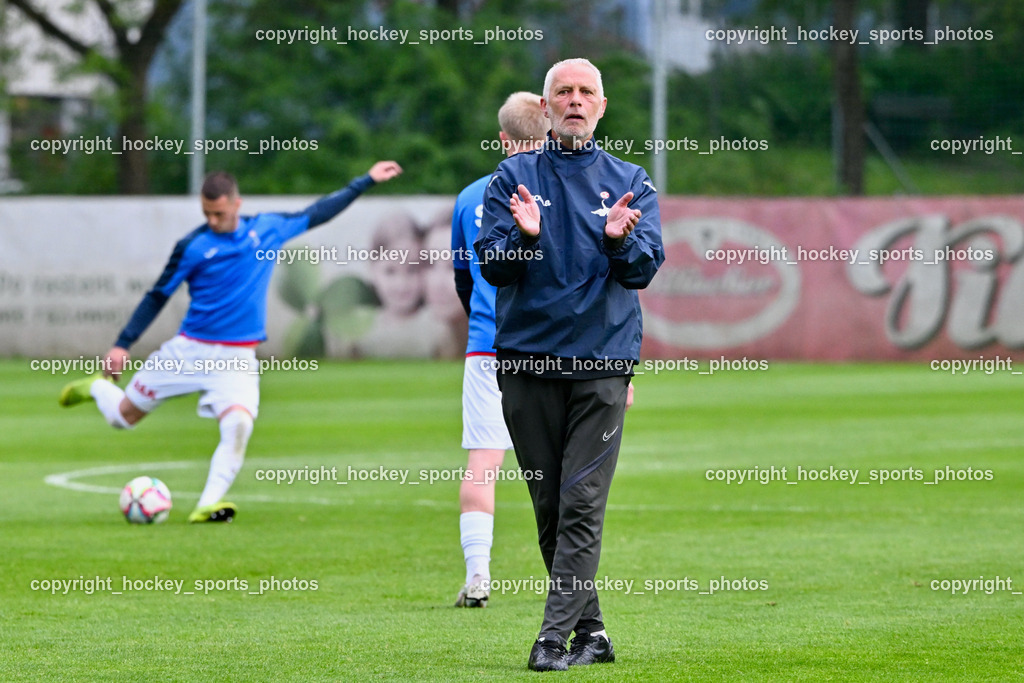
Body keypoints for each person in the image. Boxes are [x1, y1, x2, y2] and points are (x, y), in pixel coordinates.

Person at [59, 161, 403, 522]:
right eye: (207, 213)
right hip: (188, 351)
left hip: (237, 358)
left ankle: (208, 504)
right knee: (123, 418)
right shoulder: (192, 246)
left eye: (219, 213)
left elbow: (317, 213)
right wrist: (122, 344)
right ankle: (98, 389)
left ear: (236, 205)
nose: (212, 221)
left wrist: (365, 181)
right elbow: (158, 294)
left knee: (238, 424)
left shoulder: (267, 230)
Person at [475, 58, 664, 671]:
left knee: (581, 502)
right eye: (565, 92)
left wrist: (617, 239)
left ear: (602, 107)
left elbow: (641, 270)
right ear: (548, 106)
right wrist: (525, 237)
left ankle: (552, 639)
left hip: (601, 365)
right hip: (527, 365)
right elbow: (493, 267)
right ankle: (594, 633)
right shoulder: (512, 179)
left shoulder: (632, 180)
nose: (576, 100)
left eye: (587, 92)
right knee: (550, 507)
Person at [450, 92, 550, 608]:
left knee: (482, 465)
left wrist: (482, 324)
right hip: (555, 349)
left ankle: (478, 575)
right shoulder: (563, 189)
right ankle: (571, 586)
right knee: (561, 469)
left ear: (502, 139)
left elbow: (464, 278)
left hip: (489, 347)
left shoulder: (471, 196)